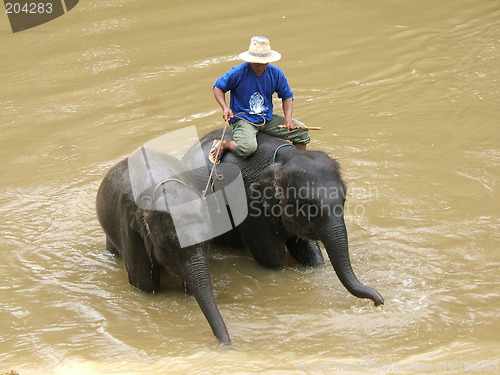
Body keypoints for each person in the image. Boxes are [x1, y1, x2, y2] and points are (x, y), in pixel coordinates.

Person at [209, 36, 310, 163]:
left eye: (264, 63)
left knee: (302, 133)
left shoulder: (276, 73)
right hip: (243, 118)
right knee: (248, 148)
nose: (260, 66)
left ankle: (297, 164)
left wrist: (288, 119)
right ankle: (225, 144)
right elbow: (218, 87)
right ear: (250, 60)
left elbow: (287, 96)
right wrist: (225, 108)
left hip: (265, 118)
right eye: (257, 62)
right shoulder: (238, 72)